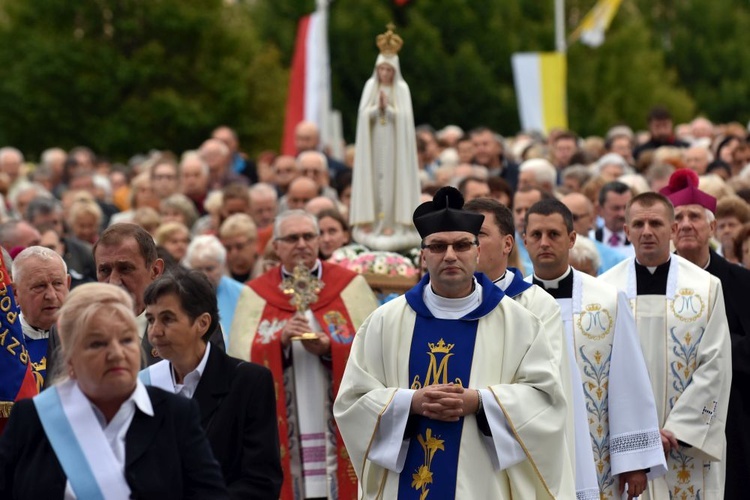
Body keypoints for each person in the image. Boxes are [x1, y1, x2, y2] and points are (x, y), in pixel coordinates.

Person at [334, 186, 574, 498]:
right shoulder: (384, 322)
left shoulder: (519, 323)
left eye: (461, 245)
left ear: (477, 251)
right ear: (422, 255)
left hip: (481, 484)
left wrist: (480, 402)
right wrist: (409, 403)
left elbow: (547, 402)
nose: (450, 255)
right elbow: (352, 402)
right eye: (437, 246)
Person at [0, 283, 229, 498]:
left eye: (127, 340)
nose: (117, 354)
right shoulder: (33, 417)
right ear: (70, 359)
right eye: (98, 343)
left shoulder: (176, 413)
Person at [227, 209, 379, 499]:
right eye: (292, 237)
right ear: (276, 246)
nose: (301, 244)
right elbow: (241, 358)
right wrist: (279, 342)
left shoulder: (349, 286)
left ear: (319, 240)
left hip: (334, 411)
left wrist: (330, 349)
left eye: (309, 236)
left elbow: (371, 350)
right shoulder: (256, 294)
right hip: (286, 413)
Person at [525, 199, 666, 498]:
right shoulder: (512, 304)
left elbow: (629, 379)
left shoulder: (608, 300)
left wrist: (634, 461)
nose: (544, 243)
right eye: (536, 235)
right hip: (534, 445)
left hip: (596, 450)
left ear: (572, 239)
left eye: (554, 234)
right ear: (524, 240)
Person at [463, 197, 598, 499]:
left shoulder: (536, 306)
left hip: (514, 456)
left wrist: (481, 402)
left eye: (479, 235)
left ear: (508, 243)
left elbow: (546, 394)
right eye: (462, 238)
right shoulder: (438, 306)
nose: (468, 245)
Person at [601, 192, 731, 498]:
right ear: (627, 231)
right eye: (639, 224)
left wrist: (676, 431)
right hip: (626, 444)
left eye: (656, 223)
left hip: (685, 443)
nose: (647, 231)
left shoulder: (706, 288)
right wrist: (639, 436)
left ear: (672, 229)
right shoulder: (605, 289)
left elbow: (716, 365)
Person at [140, 271, 282, 499]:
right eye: (150, 319)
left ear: (202, 323)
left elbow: (262, 481)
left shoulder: (248, 383)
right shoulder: (143, 385)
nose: (155, 332)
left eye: (167, 318)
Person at [659, 169, 750, 499]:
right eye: (678, 217)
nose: (685, 224)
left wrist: (714, 349)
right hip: (666, 417)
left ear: (712, 227)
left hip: (732, 416)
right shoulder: (653, 283)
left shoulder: (740, 281)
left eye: (694, 216)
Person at [350, 25, 421, 252]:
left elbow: (406, 120)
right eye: (381, 70)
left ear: (394, 71)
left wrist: (388, 110)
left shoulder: (402, 89)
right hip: (374, 145)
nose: (385, 74)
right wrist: (375, 110)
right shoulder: (370, 86)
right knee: (373, 180)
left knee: (392, 182)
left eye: (388, 70)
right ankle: (373, 221)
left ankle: (391, 222)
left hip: (395, 147)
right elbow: (363, 115)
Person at [11, 246, 70, 390]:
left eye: (57, 284)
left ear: (68, 283)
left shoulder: (86, 334)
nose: (51, 295)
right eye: (39, 286)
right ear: (15, 293)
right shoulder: (6, 342)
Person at [182, 235, 254, 347]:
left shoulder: (243, 294)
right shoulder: (180, 296)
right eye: (198, 269)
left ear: (222, 266)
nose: (204, 274)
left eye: (209, 269)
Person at [593, 181, 634, 257]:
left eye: (626, 207)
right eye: (616, 208)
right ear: (600, 210)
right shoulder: (591, 240)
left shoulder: (638, 242)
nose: (622, 214)